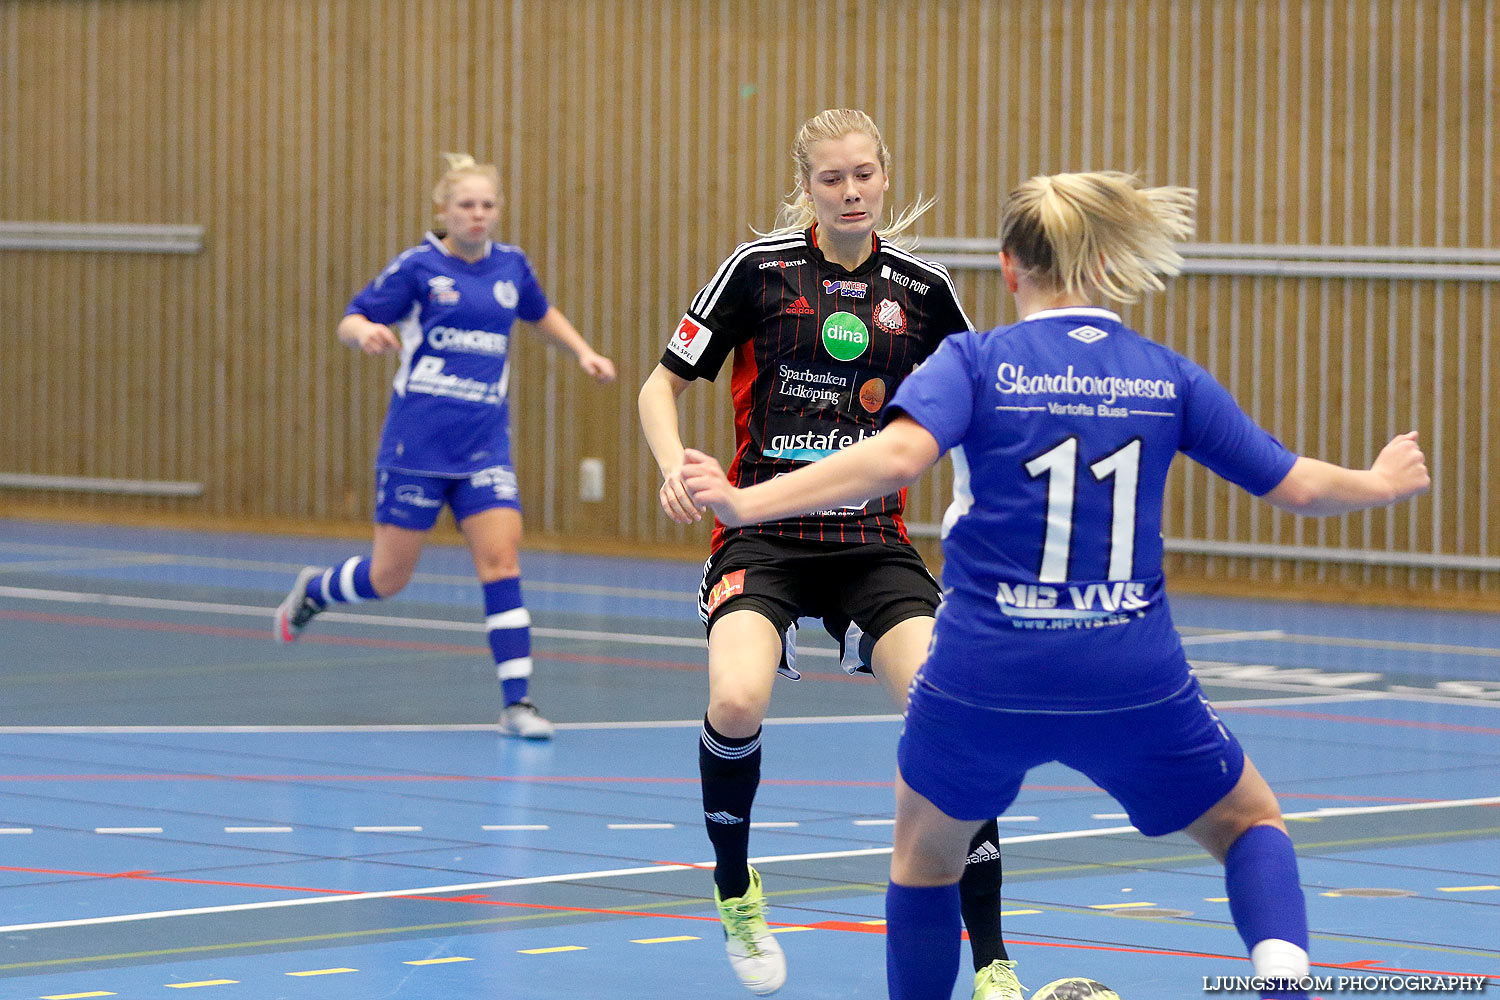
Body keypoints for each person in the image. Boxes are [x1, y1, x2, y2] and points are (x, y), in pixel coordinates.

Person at [680, 171, 1431, 1000]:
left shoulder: (976, 362)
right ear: (1109, 267)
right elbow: (1294, 486)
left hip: (985, 675)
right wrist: (1382, 481)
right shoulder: (1165, 376)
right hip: (1129, 672)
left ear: (1008, 268)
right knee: (1250, 823)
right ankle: (1285, 980)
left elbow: (889, 461)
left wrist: (745, 498)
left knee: (924, 862)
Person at [638, 109, 1019, 999]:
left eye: (863, 175)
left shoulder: (922, 293)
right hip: (760, 531)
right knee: (735, 697)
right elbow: (662, 384)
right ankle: (736, 889)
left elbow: (980, 408)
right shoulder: (758, 270)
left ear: (886, 175)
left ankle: (994, 958)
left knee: (951, 713)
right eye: (830, 179)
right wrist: (672, 467)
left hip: (869, 541)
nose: (850, 192)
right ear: (805, 185)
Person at [274, 152, 616, 740]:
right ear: (444, 211)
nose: (477, 215)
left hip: (484, 448)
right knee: (388, 578)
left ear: (498, 211)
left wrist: (581, 351)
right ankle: (315, 589)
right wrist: (366, 334)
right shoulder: (418, 268)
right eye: (466, 205)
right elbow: (351, 318)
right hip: (417, 448)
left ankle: (518, 704)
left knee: (502, 563)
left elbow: (540, 313)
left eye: (487, 206)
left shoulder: (511, 267)